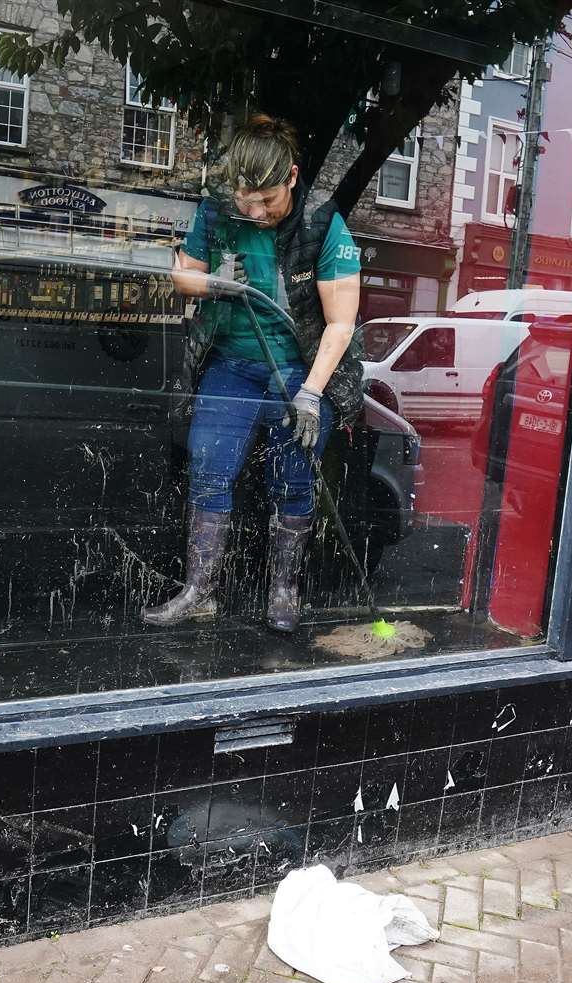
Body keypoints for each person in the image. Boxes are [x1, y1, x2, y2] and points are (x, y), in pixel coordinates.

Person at [142, 115, 362, 634]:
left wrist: (311, 393)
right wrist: (215, 281)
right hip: (231, 365)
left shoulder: (321, 223)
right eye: (247, 198)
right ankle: (199, 591)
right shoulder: (217, 211)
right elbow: (182, 276)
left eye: (267, 199)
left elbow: (341, 323)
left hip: (299, 369)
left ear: (291, 175)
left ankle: (284, 590)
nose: (256, 211)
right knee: (207, 469)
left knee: (293, 479)